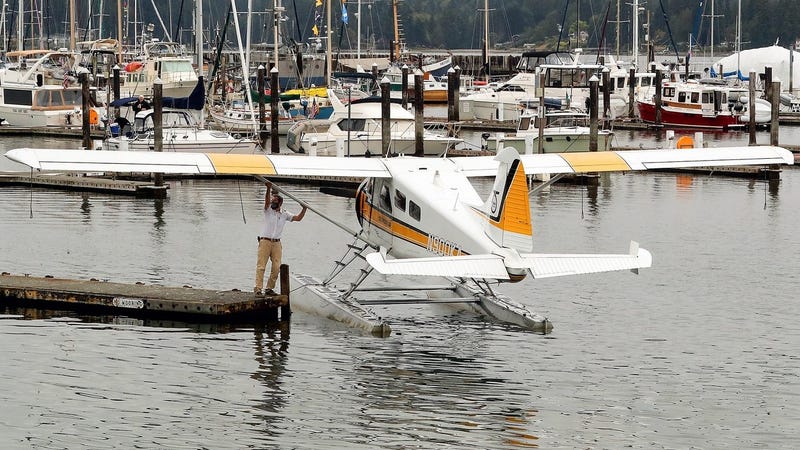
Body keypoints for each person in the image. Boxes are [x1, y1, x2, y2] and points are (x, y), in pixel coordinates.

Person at [255, 181, 307, 296]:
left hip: (277, 243)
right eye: (272, 201)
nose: (272, 203)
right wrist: (268, 189)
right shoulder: (268, 211)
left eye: (275, 201)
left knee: (276, 267)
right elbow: (266, 202)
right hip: (265, 241)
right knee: (261, 266)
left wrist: (304, 209)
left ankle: (269, 288)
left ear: (280, 203)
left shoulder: (284, 214)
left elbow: (298, 218)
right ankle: (258, 288)